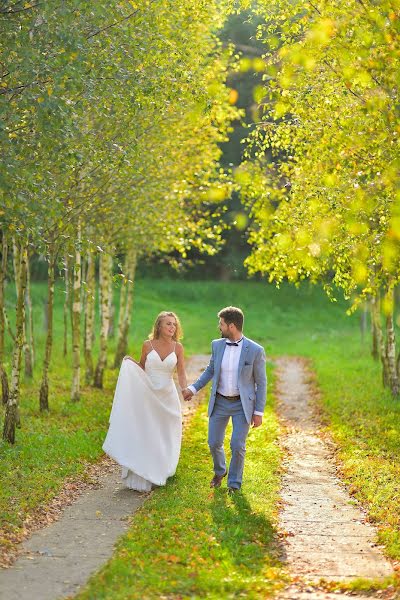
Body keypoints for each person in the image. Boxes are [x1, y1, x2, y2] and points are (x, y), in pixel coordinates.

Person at [182, 306, 266, 493]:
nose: (219, 328)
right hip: (219, 401)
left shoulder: (255, 350)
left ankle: (234, 484)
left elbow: (261, 383)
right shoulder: (217, 345)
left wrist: (258, 412)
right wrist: (193, 388)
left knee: (237, 444)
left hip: (241, 404)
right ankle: (220, 471)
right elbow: (211, 370)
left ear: (232, 326)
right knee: (213, 442)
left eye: (221, 324)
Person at [103, 311, 187, 492]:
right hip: (149, 393)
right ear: (159, 326)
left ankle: (163, 468)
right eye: (168, 324)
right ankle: (143, 470)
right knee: (148, 430)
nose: (172, 327)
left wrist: (185, 389)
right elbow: (142, 367)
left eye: (174, 324)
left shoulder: (178, 348)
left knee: (167, 431)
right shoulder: (147, 345)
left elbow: (181, 373)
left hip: (168, 396)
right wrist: (130, 363)